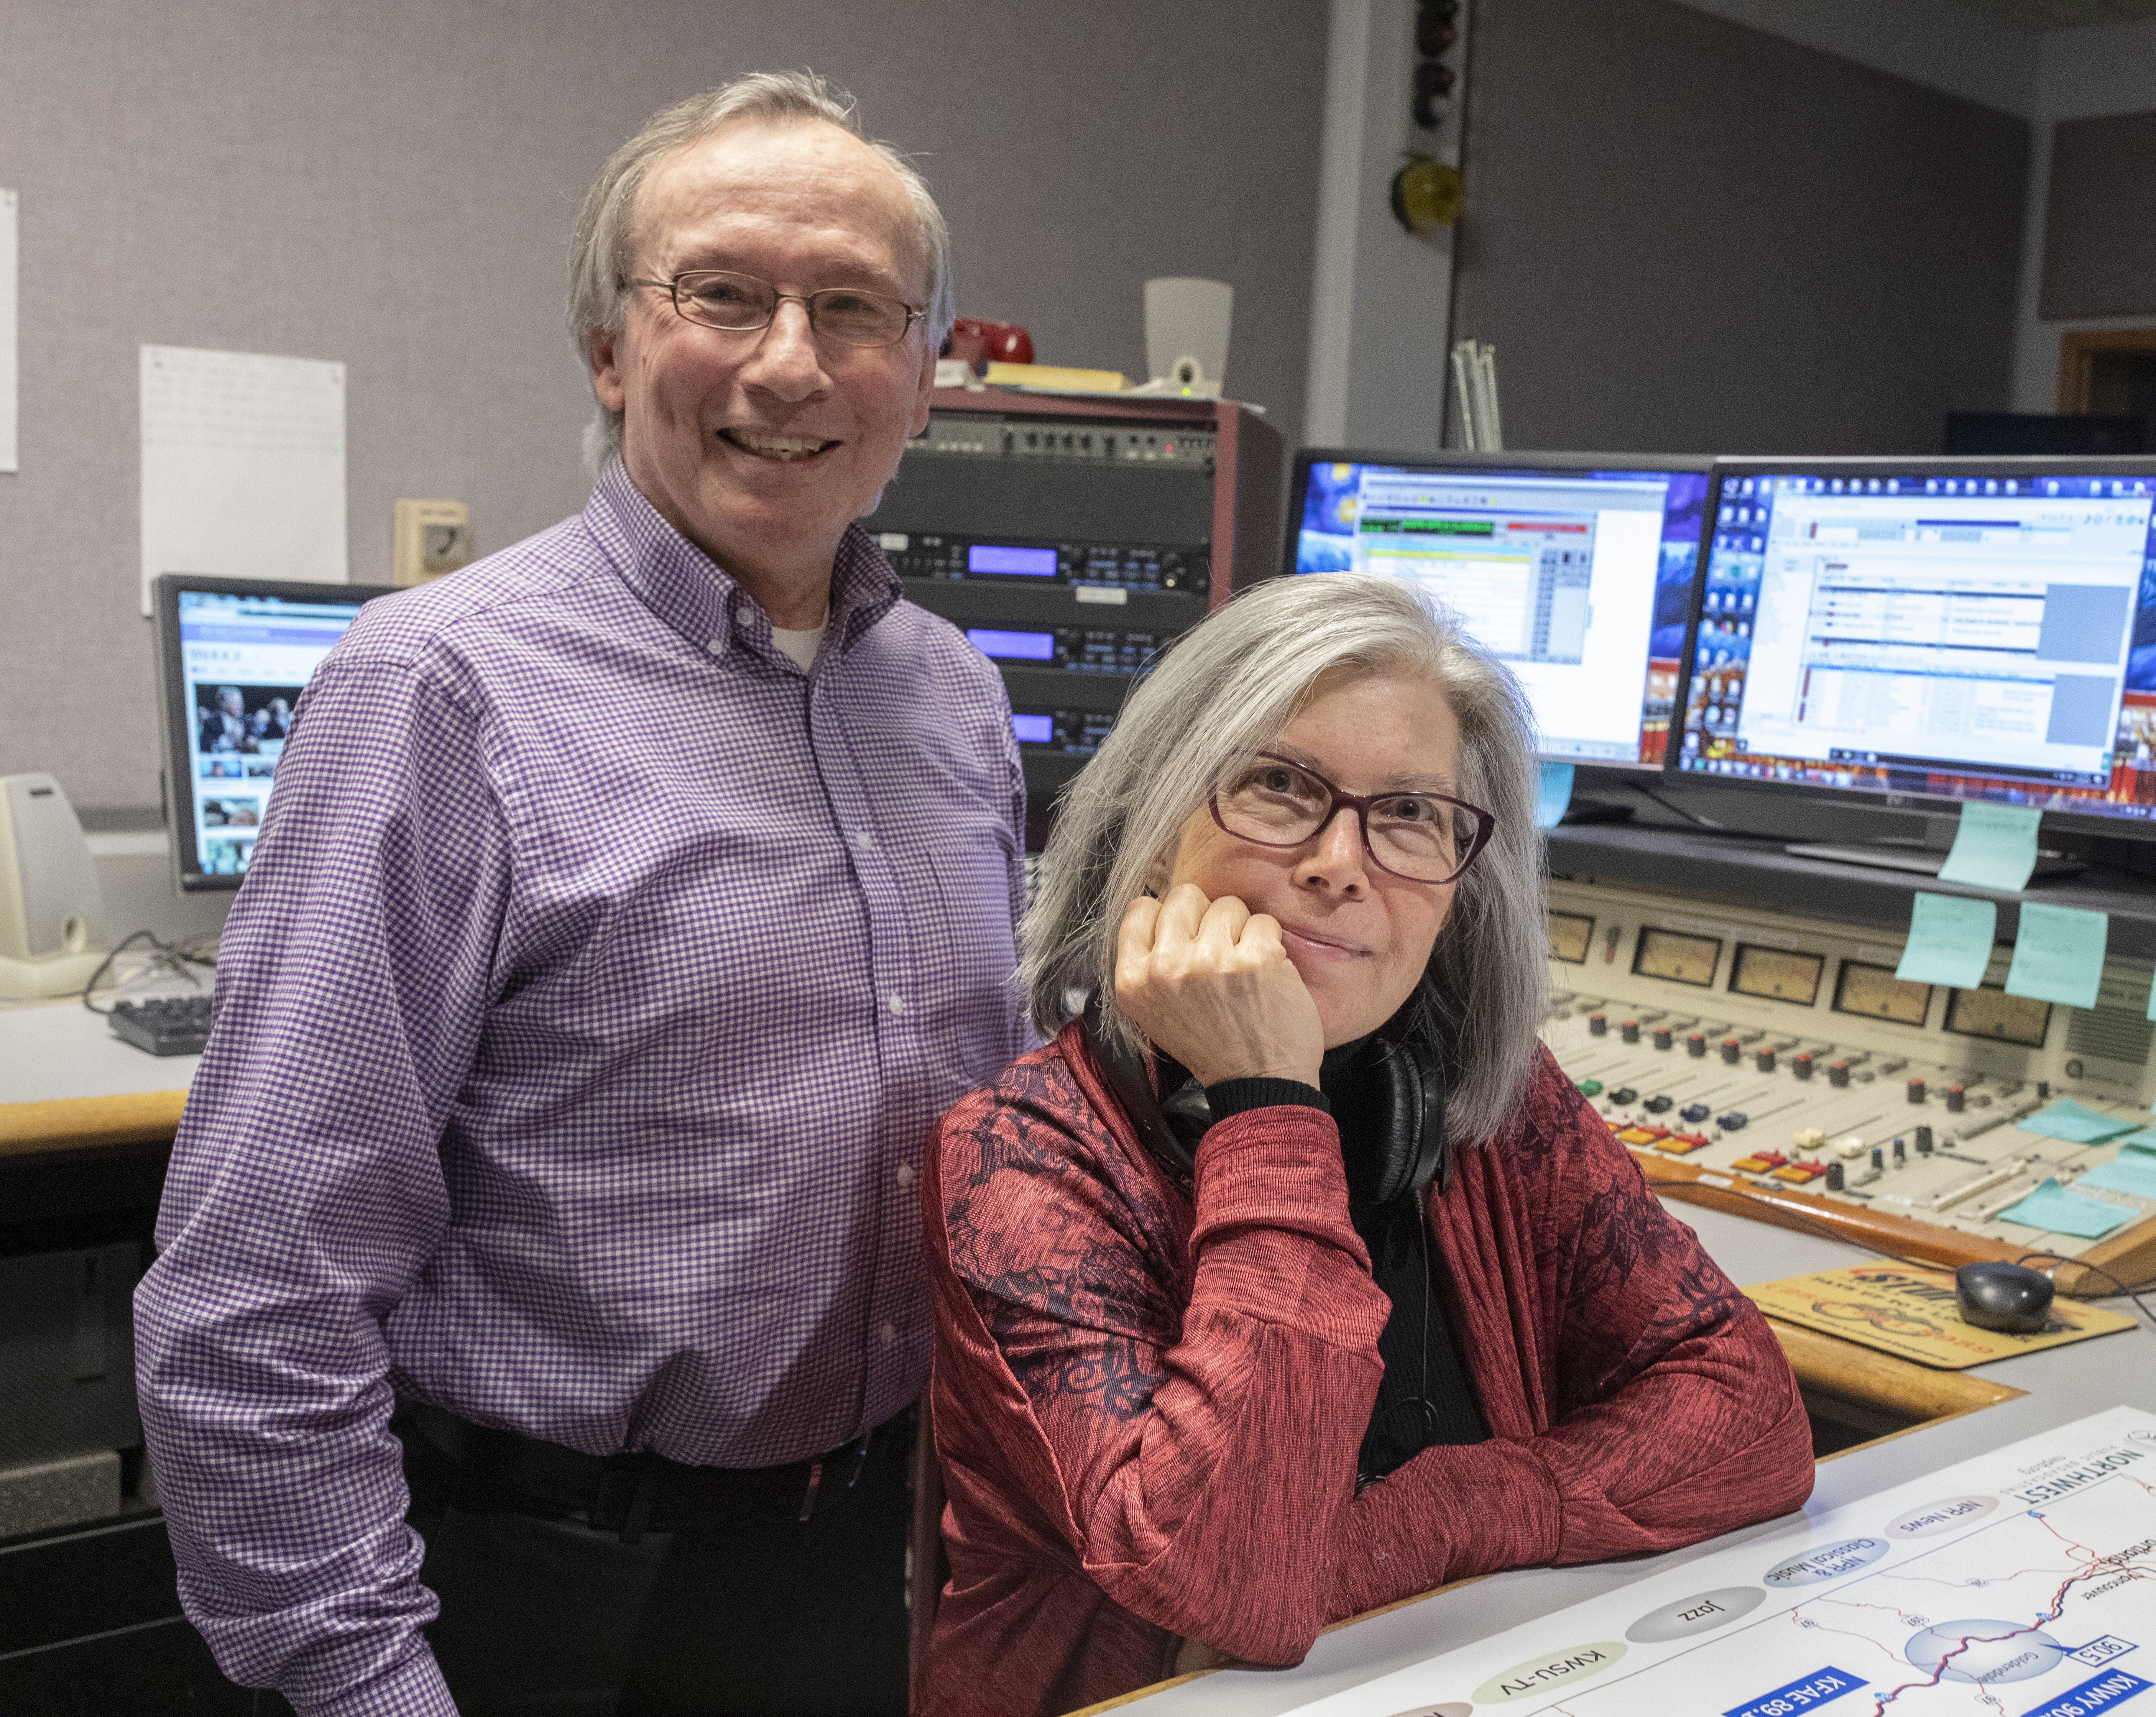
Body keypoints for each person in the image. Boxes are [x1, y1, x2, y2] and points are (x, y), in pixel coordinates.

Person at [135, 72, 1025, 1717]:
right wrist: (361, 1687)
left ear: (921, 377)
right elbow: (257, 1284)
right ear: (613, 353)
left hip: (865, 1564)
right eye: (725, 295)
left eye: (853, 309)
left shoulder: (955, 702)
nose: (788, 361)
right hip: (550, 1594)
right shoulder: (442, 692)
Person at [920, 573, 1815, 1716]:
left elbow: (1750, 1415)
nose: (1343, 862)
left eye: (1407, 815)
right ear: (1153, 836)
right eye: (1281, 786)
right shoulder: (1019, 1162)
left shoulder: (1494, 1105)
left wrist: (1447, 1510)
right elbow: (1231, 1581)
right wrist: (1269, 1106)